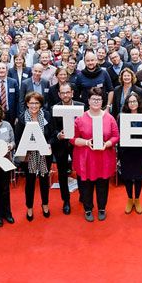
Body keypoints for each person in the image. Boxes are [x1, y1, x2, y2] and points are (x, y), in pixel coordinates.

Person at [70, 87, 119, 222]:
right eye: (93, 99)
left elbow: (116, 136)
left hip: (104, 157)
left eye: (99, 99)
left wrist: (107, 144)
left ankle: (102, 208)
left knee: (103, 184)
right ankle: (88, 208)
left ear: (102, 101)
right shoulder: (80, 119)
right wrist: (86, 142)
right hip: (85, 158)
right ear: (88, 101)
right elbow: (73, 139)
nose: (96, 101)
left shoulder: (109, 118)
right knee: (86, 185)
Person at [15, 92, 55, 221]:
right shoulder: (21, 119)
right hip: (29, 156)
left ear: (40, 104)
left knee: (44, 180)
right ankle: (30, 207)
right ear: (27, 104)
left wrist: (49, 144)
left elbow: (53, 133)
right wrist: (24, 153)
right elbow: (18, 139)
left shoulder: (47, 115)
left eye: (37, 103)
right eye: (31, 103)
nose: (34, 105)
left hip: (44, 154)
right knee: (30, 182)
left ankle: (45, 204)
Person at [51, 83, 84, 215]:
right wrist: (59, 134)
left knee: (81, 170)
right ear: (59, 94)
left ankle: (84, 195)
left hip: (77, 143)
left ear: (72, 93)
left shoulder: (81, 107)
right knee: (62, 173)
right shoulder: (54, 108)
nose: (65, 95)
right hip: (61, 145)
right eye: (62, 93)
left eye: (67, 92)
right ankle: (66, 201)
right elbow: (52, 129)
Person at [118, 92, 142, 215]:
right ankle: (130, 199)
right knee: (128, 177)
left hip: (140, 151)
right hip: (126, 151)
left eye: (134, 101)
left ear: (138, 102)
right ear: (126, 104)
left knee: (138, 176)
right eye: (130, 102)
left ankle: (137, 199)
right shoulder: (121, 116)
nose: (132, 104)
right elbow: (119, 133)